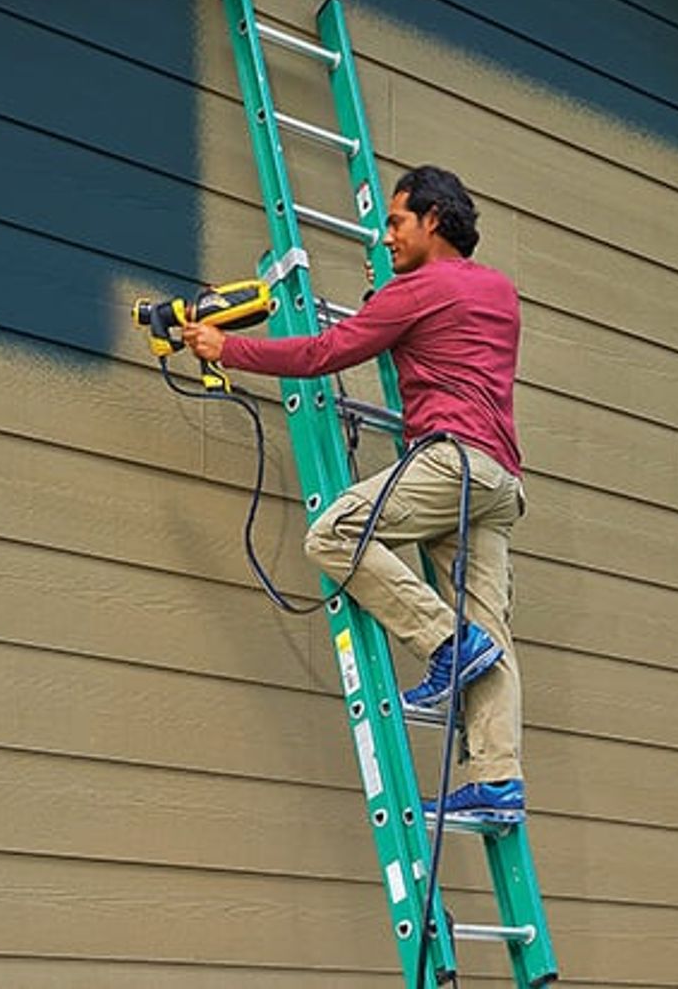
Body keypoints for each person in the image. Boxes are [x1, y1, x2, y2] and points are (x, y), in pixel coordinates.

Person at [182, 165, 526, 824]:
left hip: (451, 462)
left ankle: (445, 642)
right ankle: (497, 780)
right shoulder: (498, 292)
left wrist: (226, 347)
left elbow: (323, 354)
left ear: (433, 219)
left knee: (334, 535)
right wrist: (387, 307)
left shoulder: (419, 290)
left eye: (396, 222)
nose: (386, 236)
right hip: (499, 482)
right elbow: (437, 347)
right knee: (493, 628)